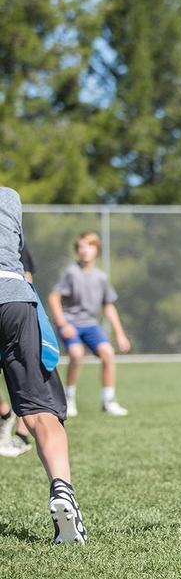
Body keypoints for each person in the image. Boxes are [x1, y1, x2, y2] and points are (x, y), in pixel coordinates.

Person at [0, 186, 87, 544]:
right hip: (14, 297)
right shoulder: (9, 197)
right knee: (39, 411)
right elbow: (21, 261)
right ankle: (62, 490)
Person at [48, 232, 131, 417]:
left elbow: (108, 306)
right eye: (81, 247)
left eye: (89, 246)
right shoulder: (71, 272)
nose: (85, 250)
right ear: (77, 251)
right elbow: (54, 297)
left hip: (91, 324)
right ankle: (68, 399)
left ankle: (108, 401)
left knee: (108, 353)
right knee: (77, 355)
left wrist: (120, 334)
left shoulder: (101, 277)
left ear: (97, 249)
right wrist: (62, 323)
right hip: (71, 323)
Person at [0, 245, 36, 457]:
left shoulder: (16, 241)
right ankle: (5, 414)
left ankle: (21, 435)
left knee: (21, 374)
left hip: (13, 311)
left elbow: (28, 278)